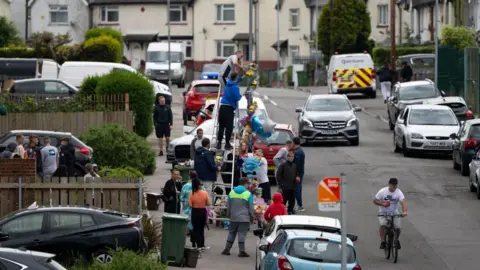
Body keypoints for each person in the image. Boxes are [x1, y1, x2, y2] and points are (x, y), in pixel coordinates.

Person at [222, 177, 254, 257]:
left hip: (233, 217)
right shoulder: (248, 194)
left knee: (231, 232)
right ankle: (241, 251)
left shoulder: (231, 192)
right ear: (245, 184)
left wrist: (228, 215)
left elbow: (228, 205)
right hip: (244, 218)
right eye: (248, 184)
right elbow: (251, 207)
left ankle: (227, 249)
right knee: (242, 234)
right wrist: (252, 217)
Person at [373, 178, 408, 250]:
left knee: (398, 228)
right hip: (383, 212)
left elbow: (403, 202)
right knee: (382, 225)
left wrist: (404, 211)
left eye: (395, 186)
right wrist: (383, 204)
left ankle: (396, 240)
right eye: (392, 186)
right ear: (389, 184)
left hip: (394, 212)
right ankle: (383, 241)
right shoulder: (382, 191)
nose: (394, 188)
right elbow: (375, 201)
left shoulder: (398, 192)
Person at [216, 72, 243, 150]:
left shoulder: (228, 84)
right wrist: (240, 95)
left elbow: (235, 81)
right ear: (235, 78)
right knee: (229, 127)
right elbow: (237, 98)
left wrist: (241, 77)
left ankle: (219, 142)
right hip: (229, 109)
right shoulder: (235, 87)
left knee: (221, 126)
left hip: (222, 107)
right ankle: (227, 143)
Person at [181, 171, 205, 239]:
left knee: (188, 218)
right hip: (198, 206)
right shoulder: (201, 186)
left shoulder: (185, 186)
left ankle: (189, 230)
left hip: (187, 206)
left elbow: (181, 197)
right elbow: (204, 196)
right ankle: (195, 231)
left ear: (189, 176)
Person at [188, 177, 210, 251]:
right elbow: (208, 203)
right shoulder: (205, 193)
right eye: (201, 184)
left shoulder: (191, 194)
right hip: (202, 211)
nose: (201, 185)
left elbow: (190, 205)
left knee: (196, 228)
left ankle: (198, 245)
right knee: (201, 229)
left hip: (195, 211)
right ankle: (202, 245)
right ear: (199, 185)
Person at [292, 137, 305, 212]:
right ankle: (299, 205)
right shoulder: (300, 151)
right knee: (298, 189)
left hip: (298, 174)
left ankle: (300, 205)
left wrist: (297, 175)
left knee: (297, 189)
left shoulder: (297, 152)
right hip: (300, 173)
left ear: (294, 143)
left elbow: (296, 165)